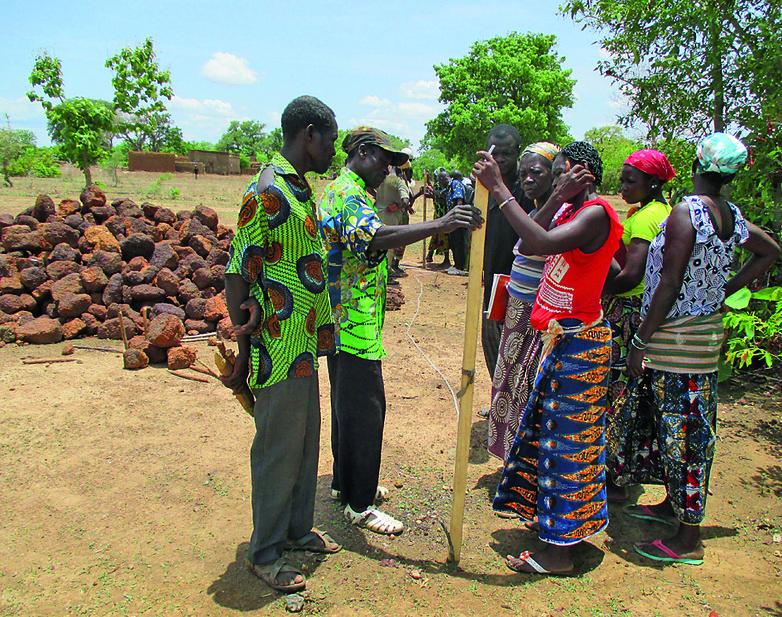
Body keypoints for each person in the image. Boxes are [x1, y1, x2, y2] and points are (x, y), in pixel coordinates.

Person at [610, 133, 779, 566]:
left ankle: (689, 539)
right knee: (681, 425)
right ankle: (674, 506)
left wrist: (641, 340)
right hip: (701, 337)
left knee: (684, 433)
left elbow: (668, 282)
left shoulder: (688, 212)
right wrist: (723, 292)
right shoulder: (729, 213)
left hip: (676, 339)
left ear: (696, 166)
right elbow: (769, 252)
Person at [318, 126, 483, 535]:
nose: (388, 170)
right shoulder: (347, 193)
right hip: (352, 323)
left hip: (346, 318)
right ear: (362, 152)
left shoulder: (350, 190)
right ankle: (360, 505)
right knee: (366, 412)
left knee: (347, 408)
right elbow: (375, 238)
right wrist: (441, 223)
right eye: (384, 160)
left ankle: (345, 484)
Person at [474, 141, 623, 575]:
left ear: (584, 175)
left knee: (566, 447)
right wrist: (557, 197)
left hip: (579, 345)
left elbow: (538, 239)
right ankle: (553, 527)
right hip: (560, 340)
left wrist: (499, 188)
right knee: (547, 437)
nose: (556, 180)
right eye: (555, 173)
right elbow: (528, 245)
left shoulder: (595, 214)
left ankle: (559, 553)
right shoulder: (568, 210)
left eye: (562, 173)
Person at [220, 95, 342, 593]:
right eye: (330, 140)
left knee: (304, 442)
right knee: (276, 450)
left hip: (302, 344)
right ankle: (266, 552)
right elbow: (237, 270)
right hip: (277, 347)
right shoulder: (268, 191)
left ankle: (295, 531)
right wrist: (244, 349)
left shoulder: (297, 190)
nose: (332, 150)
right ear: (309, 134)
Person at [601, 149, 676, 502]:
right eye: (622, 180)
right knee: (628, 392)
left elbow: (632, 274)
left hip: (627, 310)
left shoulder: (646, 218)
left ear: (654, 182)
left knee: (617, 392)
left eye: (631, 181)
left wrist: (598, 287)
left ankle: (613, 478)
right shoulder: (660, 211)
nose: (624, 187)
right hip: (639, 310)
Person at [487, 141, 559, 465]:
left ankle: (524, 466)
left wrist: (499, 187)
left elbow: (531, 244)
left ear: (554, 175)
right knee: (509, 385)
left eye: (537, 173)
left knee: (526, 389)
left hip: (534, 318)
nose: (528, 179)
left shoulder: (557, 216)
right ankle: (512, 461)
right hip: (516, 315)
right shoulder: (533, 211)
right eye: (524, 173)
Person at [480, 124, 531, 379]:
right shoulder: (482, 188)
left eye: (506, 154)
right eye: (494, 153)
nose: (499, 159)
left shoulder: (528, 188)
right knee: (493, 351)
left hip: (521, 286)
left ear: (517, 152)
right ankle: (498, 396)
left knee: (518, 358)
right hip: (492, 284)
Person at [445, 170, 469, 275]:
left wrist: (456, 216)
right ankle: (457, 265)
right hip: (455, 219)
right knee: (454, 242)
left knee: (458, 242)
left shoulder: (456, 183)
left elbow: (459, 199)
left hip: (457, 219)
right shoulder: (451, 186)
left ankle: (460, 267)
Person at [426, 170, 452, 267]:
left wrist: (431, 190)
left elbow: (440, 195)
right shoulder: (438, 185)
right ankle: (430, 255)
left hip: (443, 215)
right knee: (435, 235)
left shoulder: (447, 187)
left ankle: (446, 259)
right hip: (438, 214)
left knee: (444, 237)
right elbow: (435, 195)